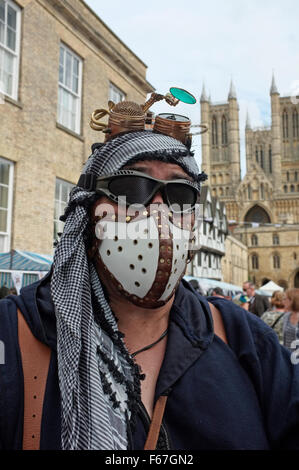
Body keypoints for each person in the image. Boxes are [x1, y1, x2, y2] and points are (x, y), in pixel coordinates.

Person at [1, 94, 299, 451]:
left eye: (180, 194)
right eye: (132, 188)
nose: (159, 211)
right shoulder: (13, 334)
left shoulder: (243, 338)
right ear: (87, 209)